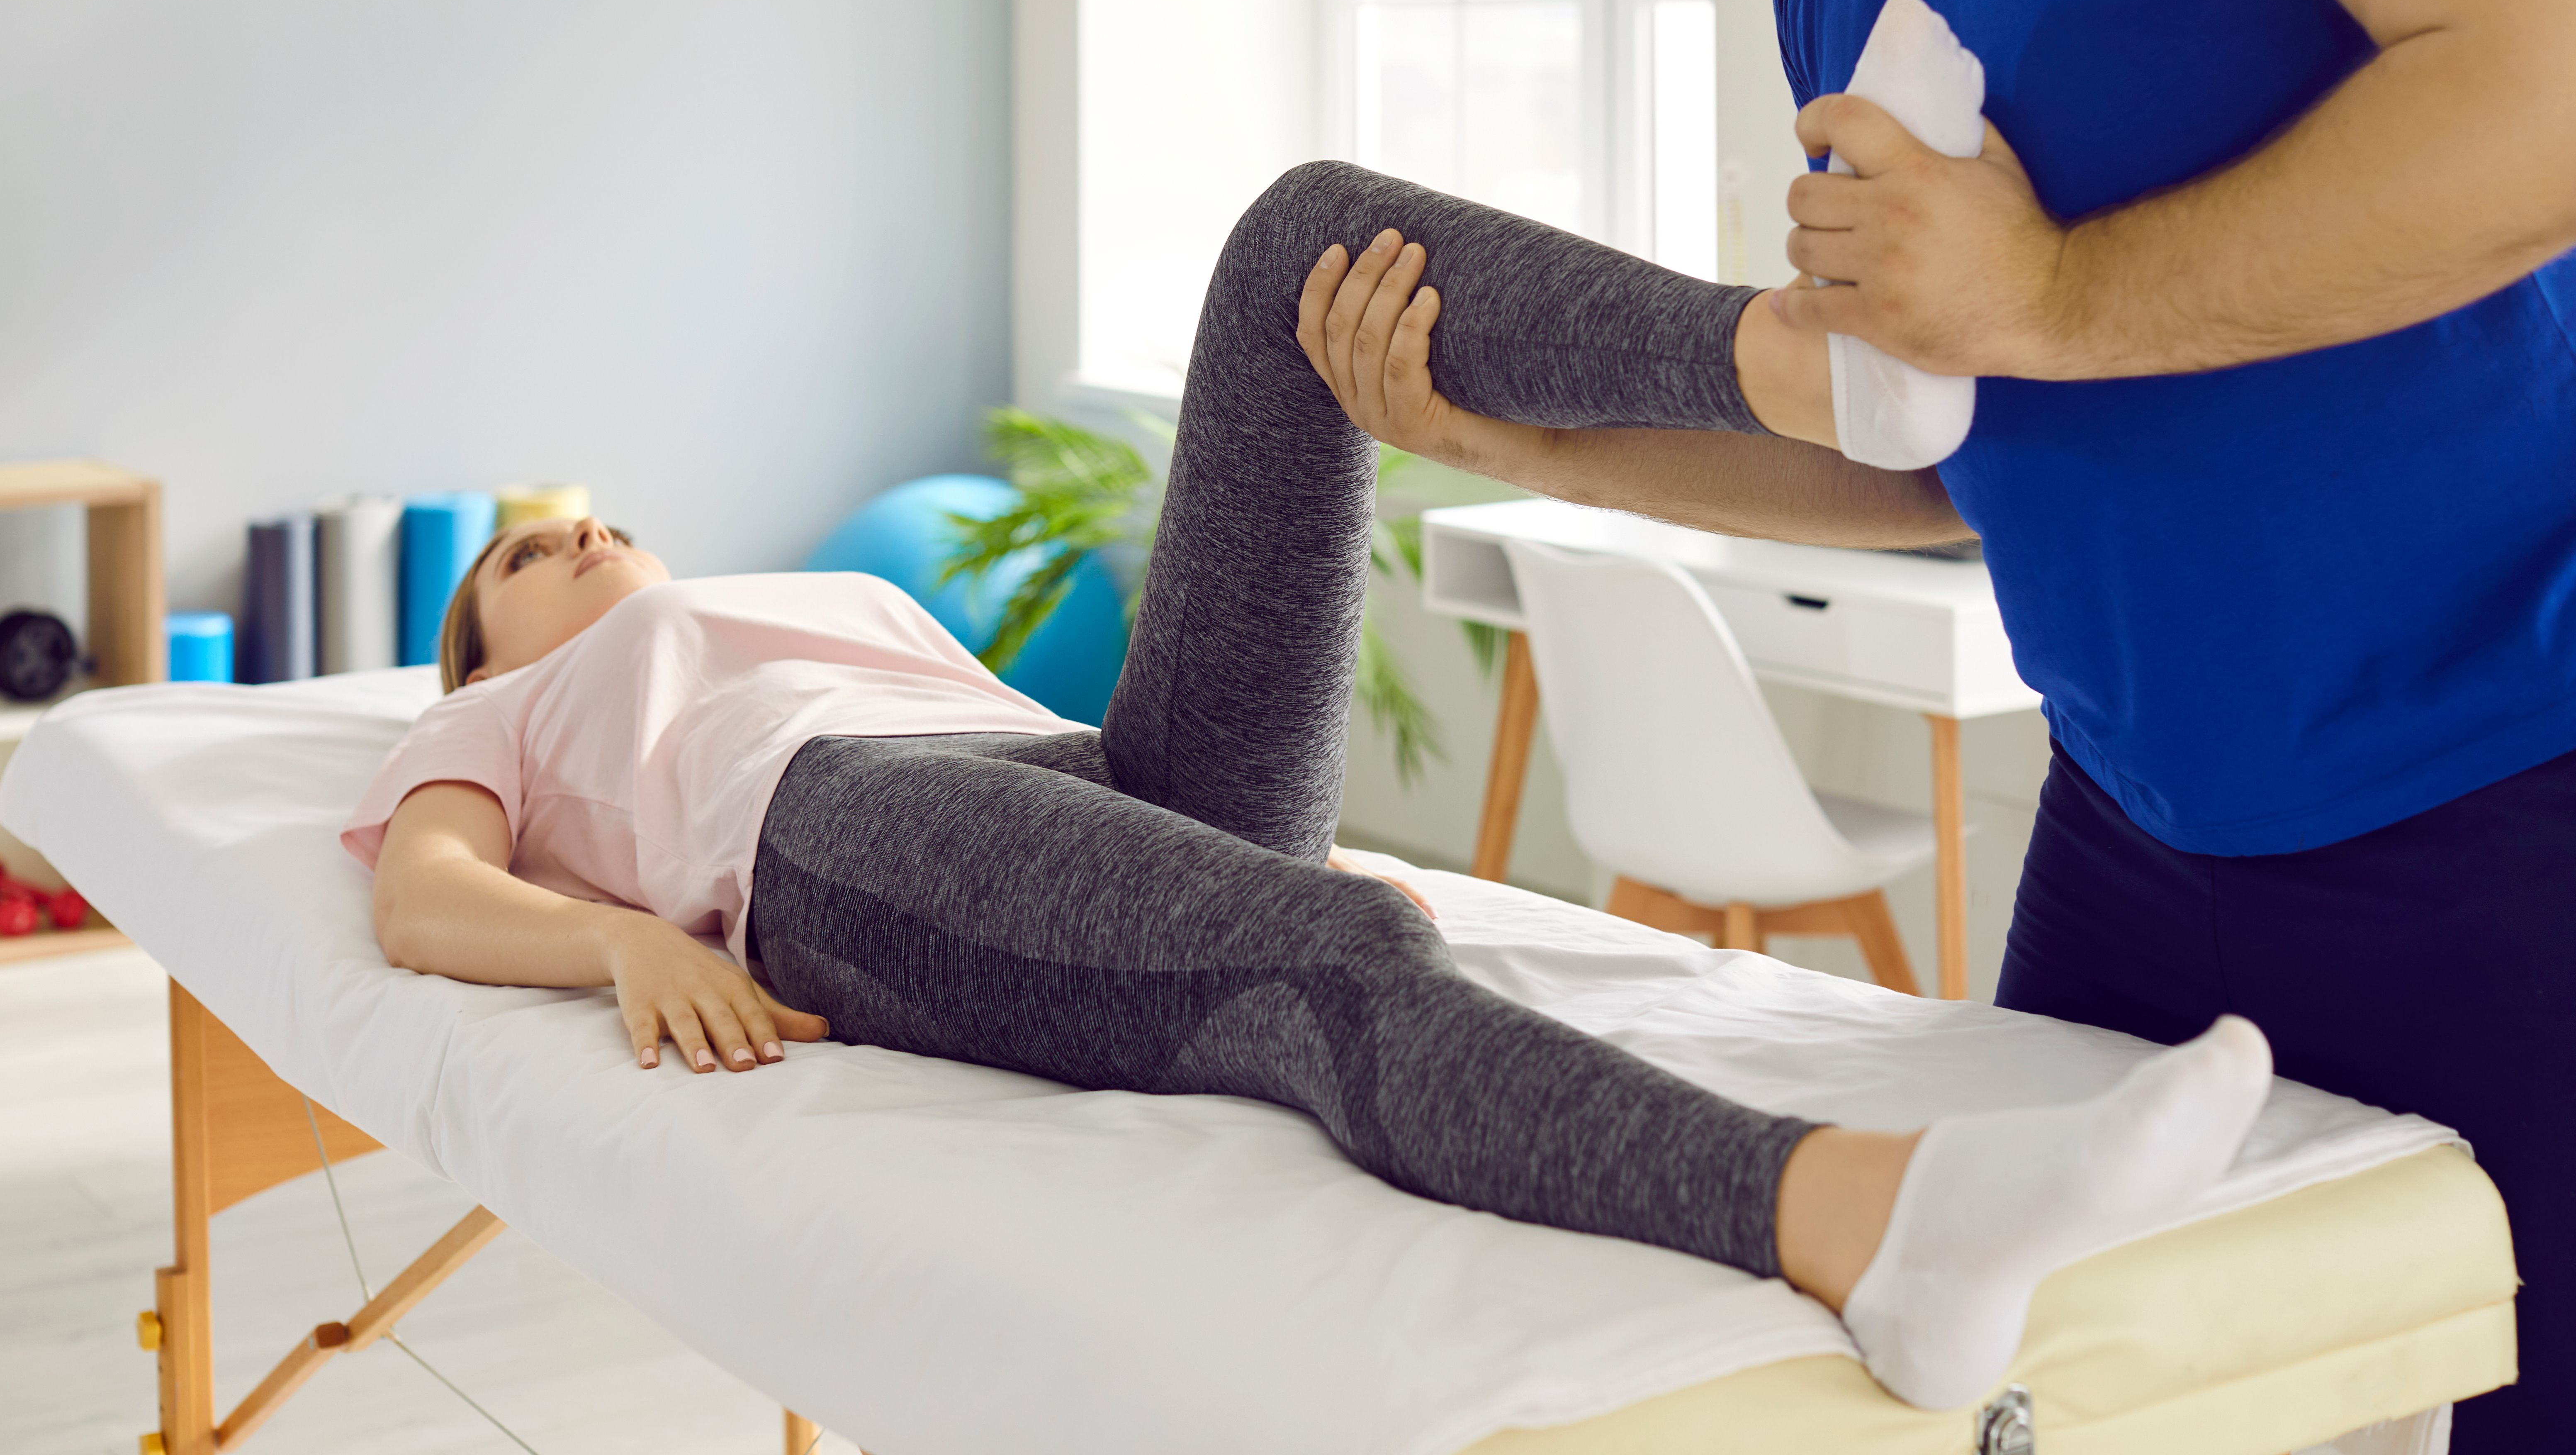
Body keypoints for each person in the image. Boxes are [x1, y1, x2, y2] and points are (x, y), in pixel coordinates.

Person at [1306, 0, 2576, 1443]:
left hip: (2542, 771)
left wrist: (2047, 293)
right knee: (2029, 1401)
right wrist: (1531, 446)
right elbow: (1953, 448)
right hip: (2140, 832)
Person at [351, 199, 2275, 1415]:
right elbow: (421, 903)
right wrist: (611, 939)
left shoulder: (809, 599)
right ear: (481, 649)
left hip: (1079, 788)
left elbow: (1071, 781)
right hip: (837, 843)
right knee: (1345, 955)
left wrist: (1173, 854)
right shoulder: (527, 715)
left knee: (1297, 253)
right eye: (529, 551)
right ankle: (1852, 1221)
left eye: (599, 517)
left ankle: (1796, 364)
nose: (578, 533)